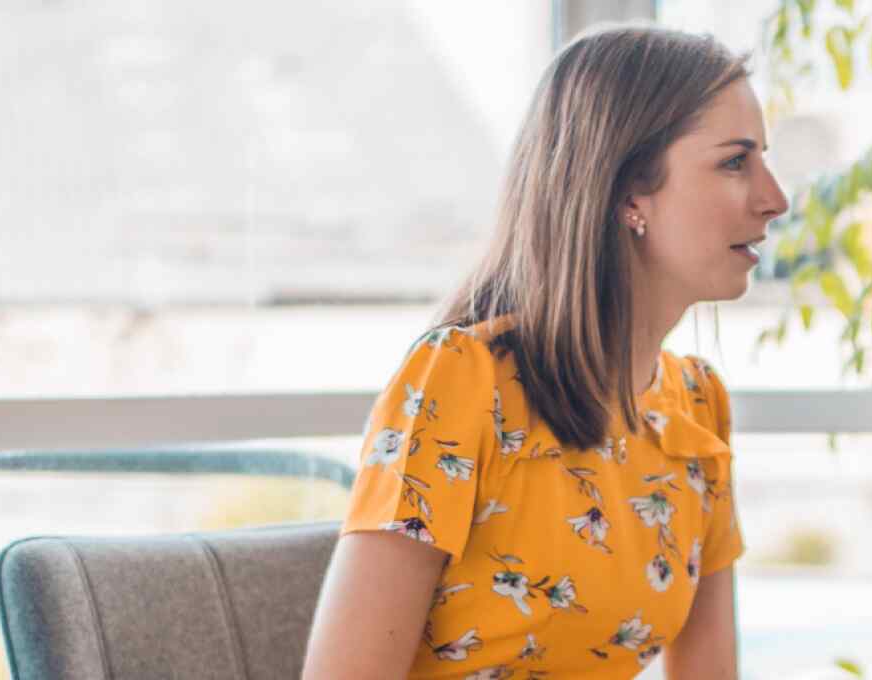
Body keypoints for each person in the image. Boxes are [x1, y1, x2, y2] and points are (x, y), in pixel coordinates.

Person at [301, 26, 786, 680]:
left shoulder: (698, 404)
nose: (775, 197)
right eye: (735, 162)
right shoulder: (462, 380)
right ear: (627, 193)